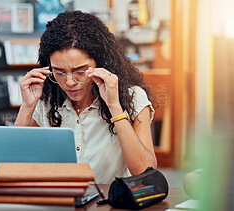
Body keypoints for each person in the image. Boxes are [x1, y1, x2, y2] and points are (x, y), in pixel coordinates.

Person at [14, 10, 157, 184]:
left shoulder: (132, 96)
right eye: (59, 72)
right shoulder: (46, 100)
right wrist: (27, 107)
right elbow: (11, 166)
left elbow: (147, 174)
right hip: (61, 201)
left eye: (80, 71)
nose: (69, 82)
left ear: (100, 63)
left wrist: (114, 107)